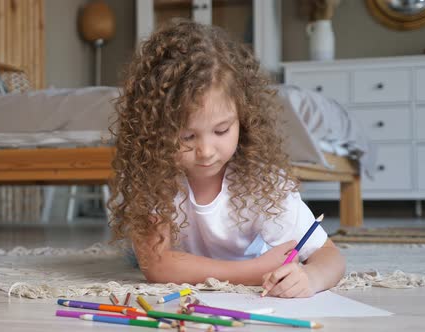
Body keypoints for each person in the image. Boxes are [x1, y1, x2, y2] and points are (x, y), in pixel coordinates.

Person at [107, 19, 345, 298]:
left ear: (243, 120)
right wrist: (253, 272)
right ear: (155, 132)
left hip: (227, 264)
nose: (206, 151)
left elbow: (330, 257)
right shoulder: (153, 175)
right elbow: (157, 266)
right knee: (136, 254)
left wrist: (311, 277)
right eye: (187, 137)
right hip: (244, 265)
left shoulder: (261, 182)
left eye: (221, 130)